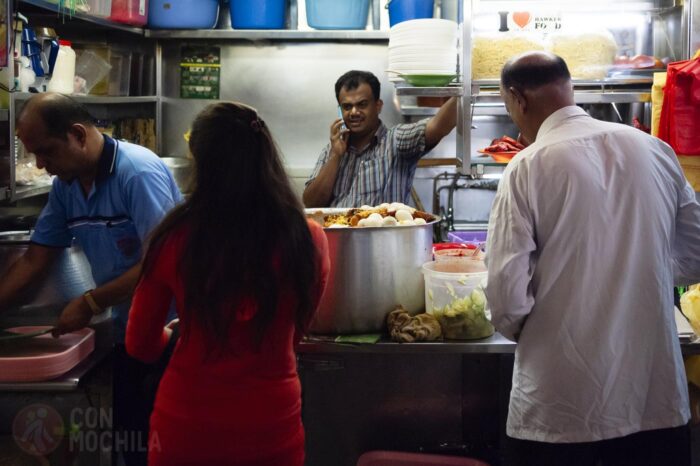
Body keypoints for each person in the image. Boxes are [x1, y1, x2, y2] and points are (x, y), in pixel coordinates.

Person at [485, 51, 700, 466]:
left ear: (517, 99)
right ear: (569, 87)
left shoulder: (526, 167)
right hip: (653, 402)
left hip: (560, 409)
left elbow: (506, 300)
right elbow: (694, 256)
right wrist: (638, 266)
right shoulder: (655, 150)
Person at [125, 102, 330, 466]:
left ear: (200, 161)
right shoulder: (308, 238)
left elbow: (140, 345)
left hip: (185, 432)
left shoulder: (174, 237)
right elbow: (295, 331)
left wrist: (175, 335)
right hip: (272, 430)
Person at [0, 93, 183, 465]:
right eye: (33, 155)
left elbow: (161, 264)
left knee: (161, 443)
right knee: (131, 441)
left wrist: (90, 302)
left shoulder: (137, 173)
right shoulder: (67, 186)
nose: (41, 165)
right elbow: (36, 257)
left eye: (46, 153)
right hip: (125, 331)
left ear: (78, 135)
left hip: (169, 331)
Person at [303, 70, 457, 207]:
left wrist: (466, 90)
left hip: (382, 239)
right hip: (336, 238)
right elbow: (310, 204)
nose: (354, 112)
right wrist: (335, 156)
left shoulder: (395, 141)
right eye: (347, 107)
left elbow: (437, 127)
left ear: (378, 106)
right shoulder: (332, 149)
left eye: (362, 104)